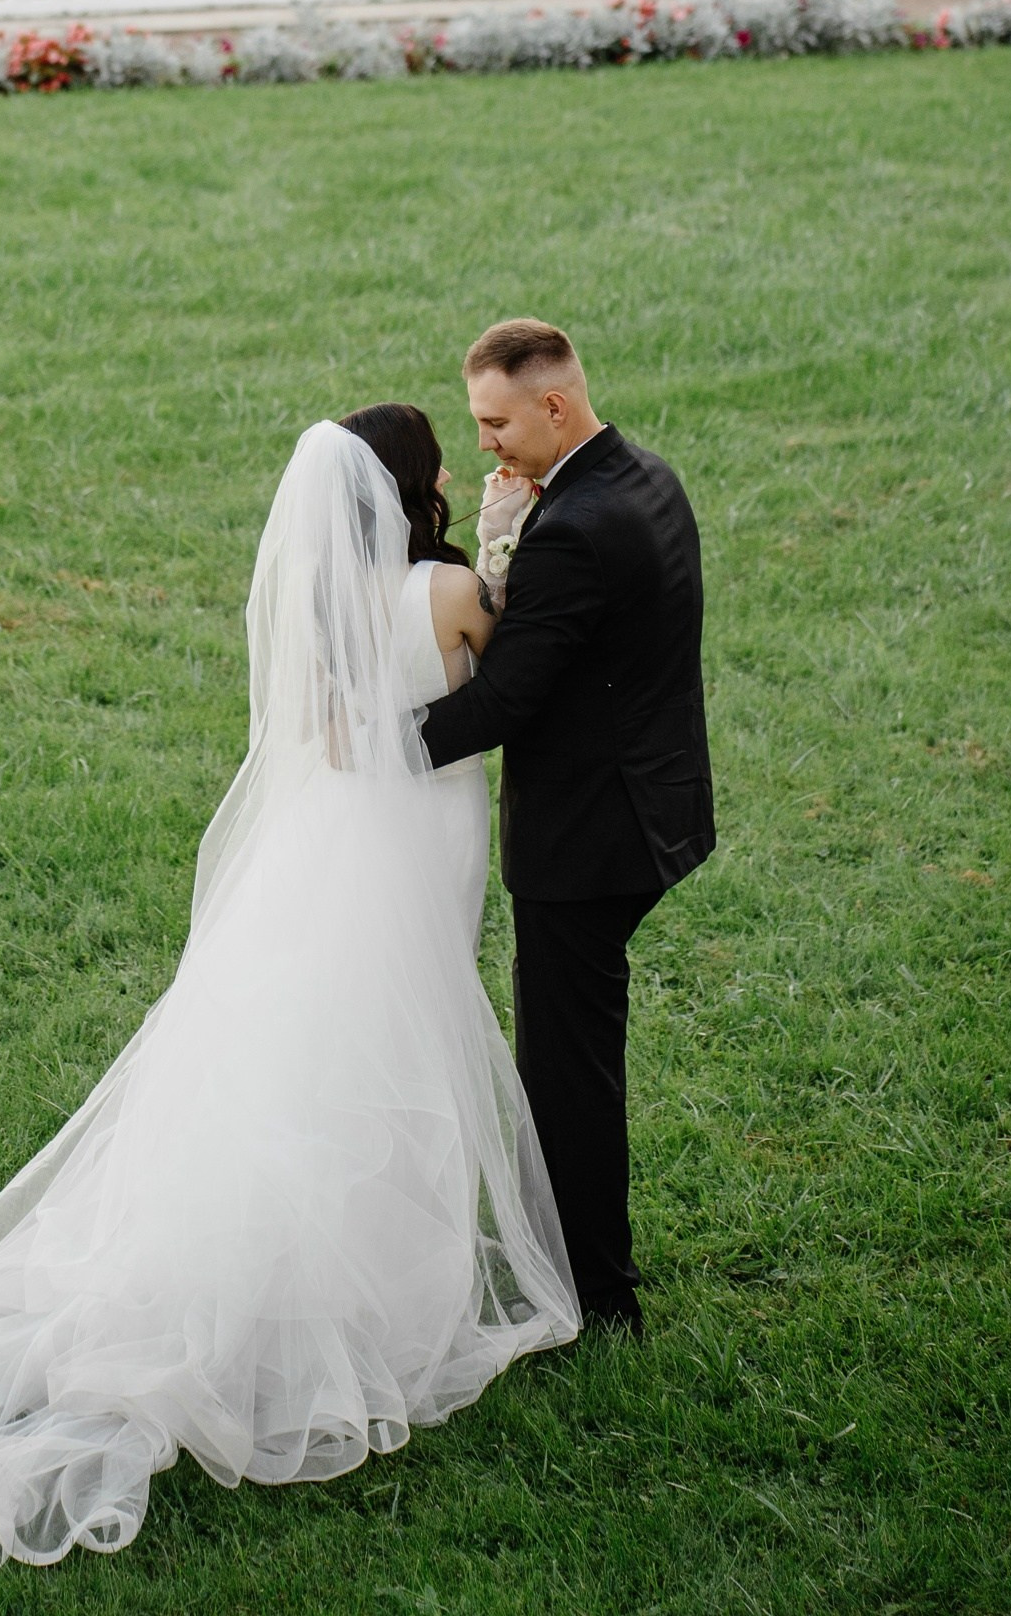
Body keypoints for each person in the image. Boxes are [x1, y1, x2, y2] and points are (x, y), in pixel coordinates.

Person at [0, 417, 578, 1570]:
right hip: (411, 844)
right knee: (399, 1041)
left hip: (322, 844)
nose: (447, 474)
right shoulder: (444, 592)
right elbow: (520, 669)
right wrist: (506, 546)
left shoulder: (308, 600)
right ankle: (370, 1290)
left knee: (308, 1046)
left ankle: (302, 1268)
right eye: (435, 463)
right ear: (411, 487)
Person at [417, 319, 714, 1339]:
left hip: (590, 840)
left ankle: (599, 1295)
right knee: (572, 1060)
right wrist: (507, 543)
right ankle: (579, 1269)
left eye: (496, 423)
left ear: (553, 405)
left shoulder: (578, 530)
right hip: (654, 800)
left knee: (568, 1073)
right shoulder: (644, 476)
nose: (484, 445)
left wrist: (366, 745)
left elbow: (501, 704)